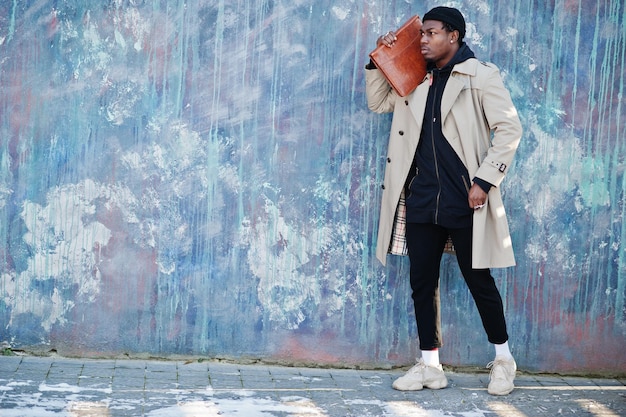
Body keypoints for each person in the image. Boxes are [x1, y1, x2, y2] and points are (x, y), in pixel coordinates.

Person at [365, 6, 522, 396]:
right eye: (421, 34)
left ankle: (503, 360)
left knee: (478, 279)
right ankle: (430, 366)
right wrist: (378, 60)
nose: (423, 40)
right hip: (420, 197)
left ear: (453, 35)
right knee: (422, 282)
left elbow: (509, 128)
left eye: (430, 33)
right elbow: (379, 103)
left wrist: (484, 181)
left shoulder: (480, 76)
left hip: (463, 198)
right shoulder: (418, 76)